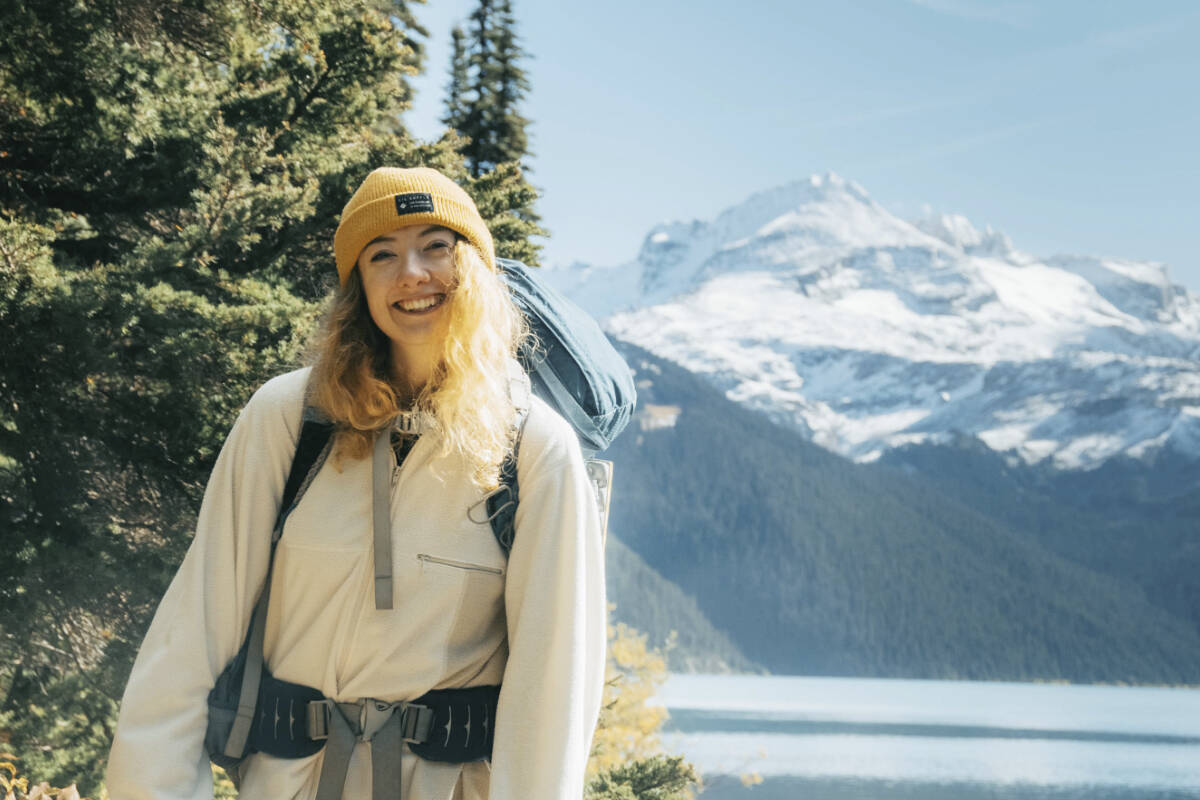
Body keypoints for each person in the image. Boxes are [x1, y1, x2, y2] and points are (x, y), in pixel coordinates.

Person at [105, 167, 607, 799]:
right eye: (382, 255)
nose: (412, 274)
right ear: (358, 287)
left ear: (474, 267)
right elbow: (190, 637)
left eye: (436, 246)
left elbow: (553, 688)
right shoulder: (290, 418)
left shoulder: (533, 447)